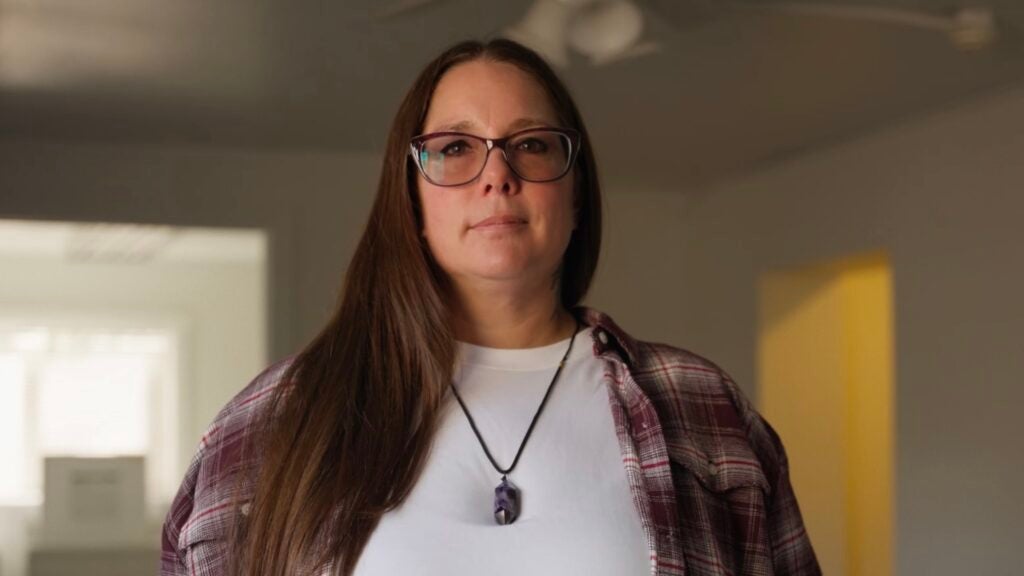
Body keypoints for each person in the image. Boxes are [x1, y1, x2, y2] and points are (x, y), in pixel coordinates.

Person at [161, 38, 821, 576]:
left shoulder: (701, 405)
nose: (496, 174)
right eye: (454, 149)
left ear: (577, 193)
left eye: (531, 144)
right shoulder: (280, 417)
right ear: (410, 200)